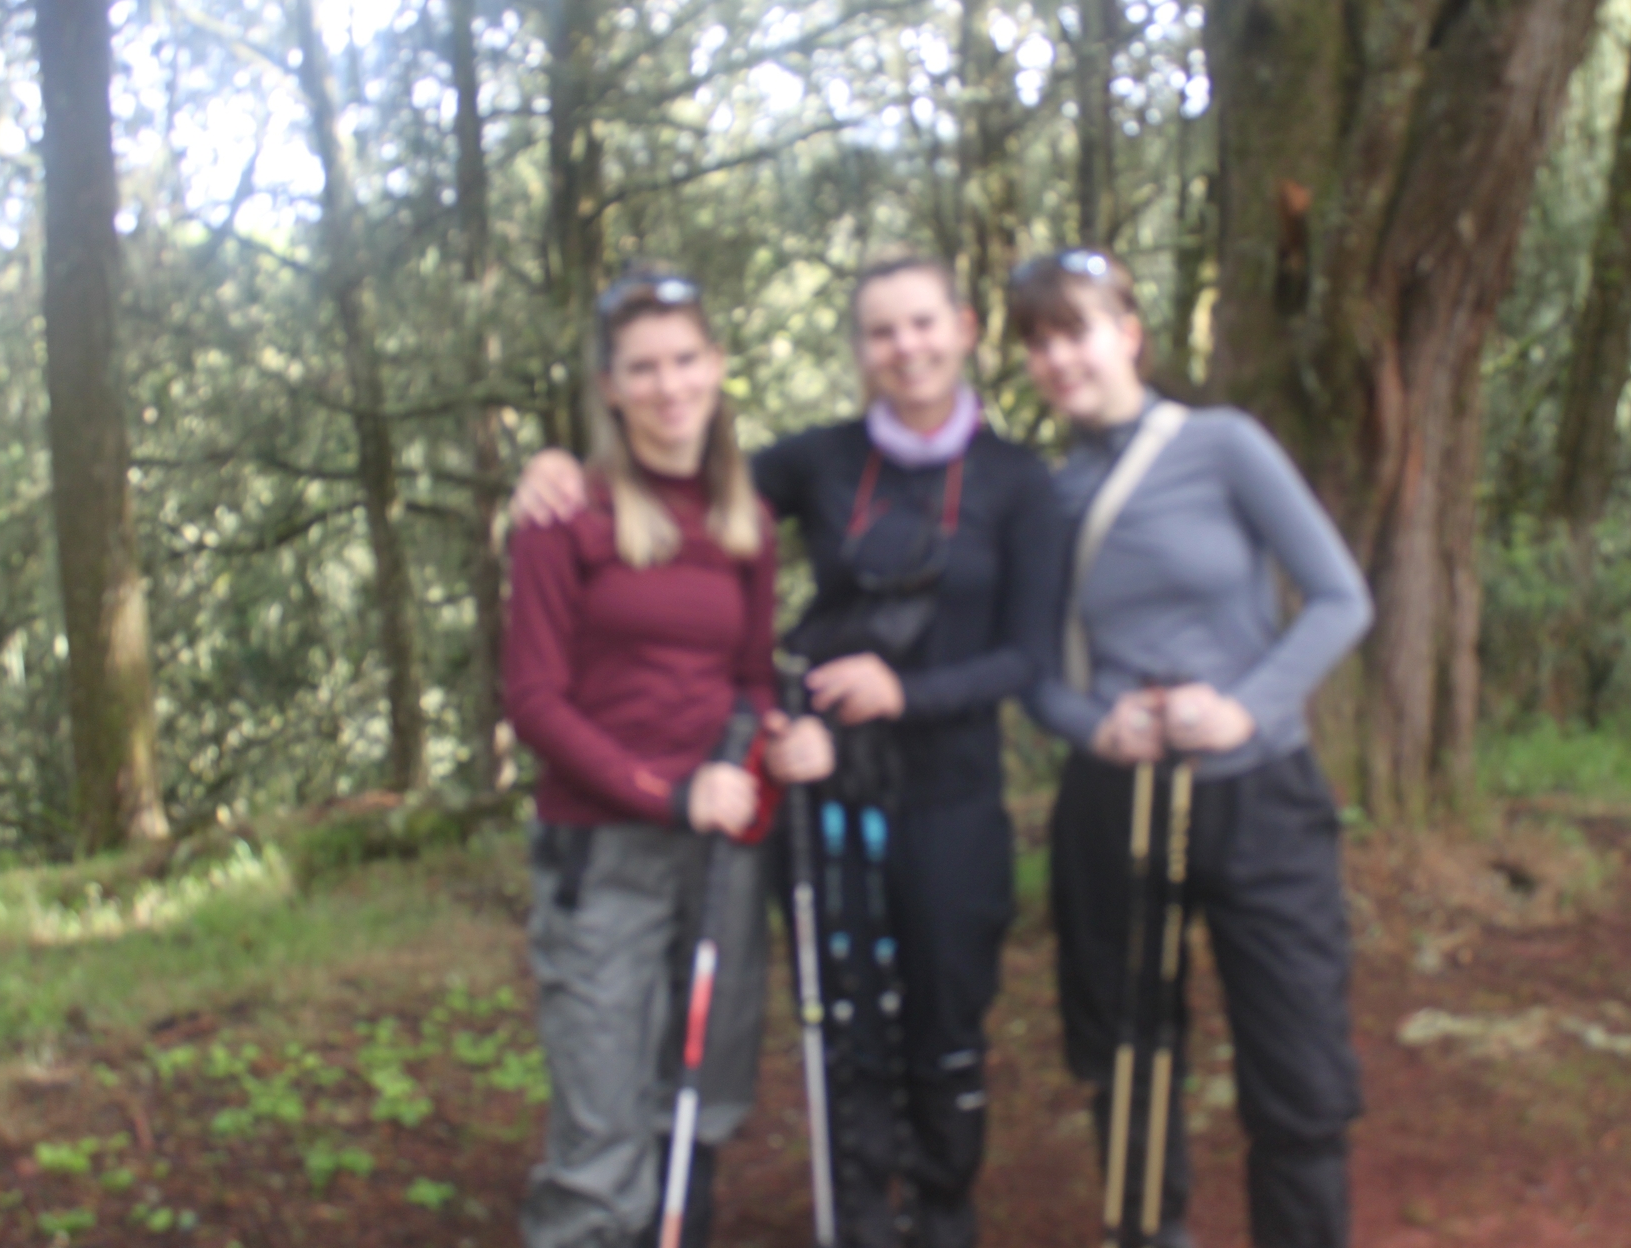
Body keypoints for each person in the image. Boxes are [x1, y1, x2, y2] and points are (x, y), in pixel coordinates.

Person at [512, 254, 1065, 1248]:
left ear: (966, 328)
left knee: (826, 1049)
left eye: (923, 323)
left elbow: (1019, 654)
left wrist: (847, 709)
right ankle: (676, 1222)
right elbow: (545, 685)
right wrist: (552, 463)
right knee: (707, 1062)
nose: (905, 347)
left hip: (863, 805)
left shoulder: (1001, 484)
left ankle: (921, 1212)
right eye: (881, 331)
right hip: (716, 814)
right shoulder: (775, 472)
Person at [1009, 248, 1373, 1248]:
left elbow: (1341, 599)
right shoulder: (1044, 496)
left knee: (1298, 1062)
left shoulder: (1223, 445)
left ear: (1128, 334)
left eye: (1075, 331)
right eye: (1037, 342)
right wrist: (1094, 725)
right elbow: (1029, 667)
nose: (1058, 358)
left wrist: (1246, 710)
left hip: (1260, 798)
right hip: (1117, 804)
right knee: (1128, 1057)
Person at [502, 267, 835, 1248]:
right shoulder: (566, 515)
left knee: (700, 1090)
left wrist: (776, 736)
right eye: (642, 368)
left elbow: (750, 677)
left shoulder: (746, 521)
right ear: (610, 386)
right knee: (602, 1111)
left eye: (685, 360)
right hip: (602, 849)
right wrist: (667, 792)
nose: (668, 385)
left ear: (717, 365)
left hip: (723, 841)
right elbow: (534, 702)